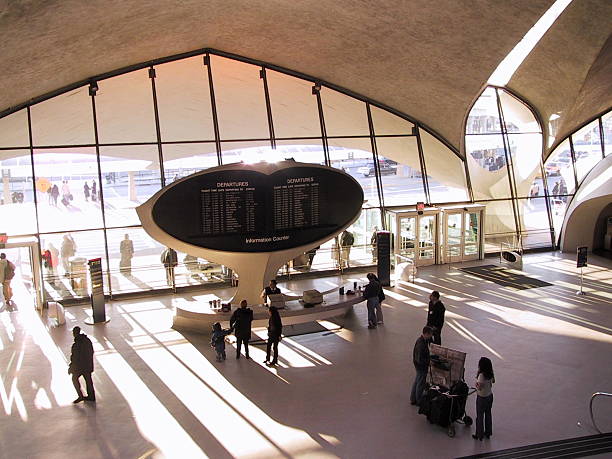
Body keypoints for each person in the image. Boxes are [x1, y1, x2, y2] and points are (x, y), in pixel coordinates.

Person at [68, 326, 95, 403]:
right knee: (88, 381)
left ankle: (80, 396)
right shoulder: (87, 341)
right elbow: (91, 352)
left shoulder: (76, 345)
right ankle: (91, 396)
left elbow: (74, 358)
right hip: (87, 366)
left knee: (74, 379)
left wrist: (71, 368)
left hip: (80, 367)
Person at [473, 357, 495, 440]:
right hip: (490, 396)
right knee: (488, 414)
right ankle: (488, 433)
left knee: (480, 416)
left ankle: (479, 434)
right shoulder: (490, 373)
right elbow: (493, 381)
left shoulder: (481, 375)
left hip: (481, 398)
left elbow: (479, 387)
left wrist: (476, 384)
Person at [410, 326, 433, 406]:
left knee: (417, 381)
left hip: (418, 366)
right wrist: (428, 362)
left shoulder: (421, 340)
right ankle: (419, 400)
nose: (431, 336)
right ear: (426, 334)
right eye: (430, 335)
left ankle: (413, 399)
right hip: (421, 367)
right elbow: (420, 359)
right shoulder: (421, 344)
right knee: (420, 383)